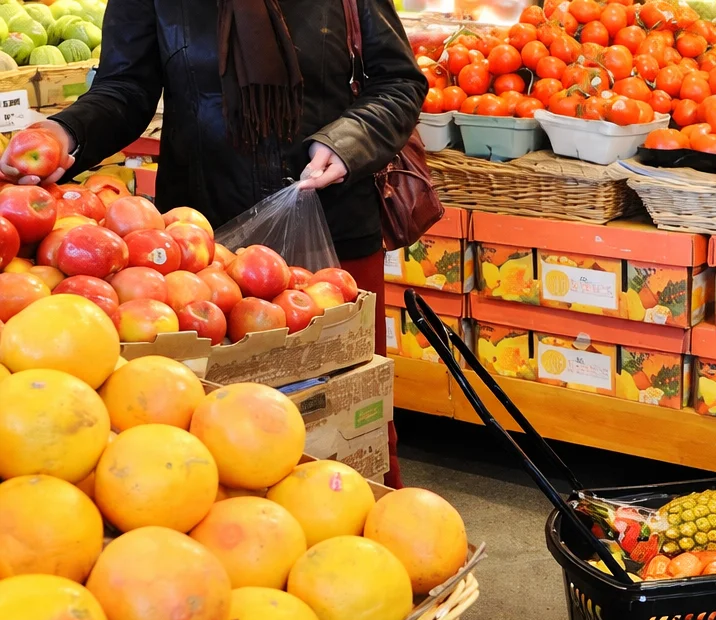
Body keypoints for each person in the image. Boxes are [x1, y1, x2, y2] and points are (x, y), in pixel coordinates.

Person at [0, 0, 427, 487]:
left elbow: (398, 81)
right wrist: (66, 131)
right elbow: (126, 87)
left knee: (345, 409)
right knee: (217, 439)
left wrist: (347, 141)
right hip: (203, 254)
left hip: (329, 238)